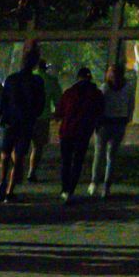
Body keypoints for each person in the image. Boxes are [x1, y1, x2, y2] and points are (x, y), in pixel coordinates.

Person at [0, 49, 46, 202]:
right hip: (26, 122)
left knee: (5, 154)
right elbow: (40, 104)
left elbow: (3, 100)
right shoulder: (37, 81)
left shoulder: (11, 79)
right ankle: (10, 191)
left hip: (10, 121)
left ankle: (2, 184)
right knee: (18, 157)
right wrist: (33, 115)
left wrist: (1, 117)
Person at [54, 66, 103, 205]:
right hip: (84, 132)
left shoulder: (69, 92)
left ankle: (64, 190)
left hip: (67, 131)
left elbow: (59, 112)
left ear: (78, 78)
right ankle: (70, 190)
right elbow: (99, 112)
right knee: (77, 162)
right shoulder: (96, 94)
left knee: (66, 161)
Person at [92, 63, 133, 199]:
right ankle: (106, 186)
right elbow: (130, 105)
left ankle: (94, 183)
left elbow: (98, 105)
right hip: (119, 123)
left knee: (99, 154)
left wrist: (96, 121)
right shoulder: (127, 88)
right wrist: (127, 118)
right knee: (111, 156)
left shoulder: (105, 88)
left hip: (104, 123)